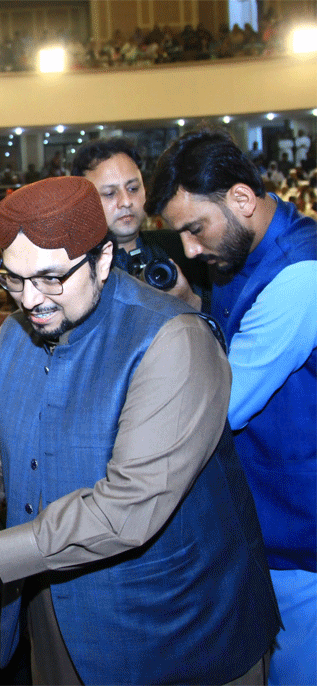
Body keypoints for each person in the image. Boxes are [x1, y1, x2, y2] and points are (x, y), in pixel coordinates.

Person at [0, 176, 280, 685]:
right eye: (14, 279)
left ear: (103, 259)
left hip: (178, 632)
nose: (30, 300)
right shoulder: (13, 338)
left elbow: (126, 509)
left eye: (50, 277)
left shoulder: (173, 340)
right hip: (56, 626)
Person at [146, 128, 316, 686]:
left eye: (196, 229)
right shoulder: (244, 247)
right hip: (274, 522)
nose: (190, 249)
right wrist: (194, 303)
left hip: (302, 538)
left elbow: (222, 403)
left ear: (241, 199)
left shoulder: (300, 277)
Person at [71, 137, 205, 309]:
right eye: (110, 193)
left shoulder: (184, 248)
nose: (126, 201)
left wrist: (190, 301)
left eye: (133, 189)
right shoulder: (75, 268)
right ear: (83, 203)